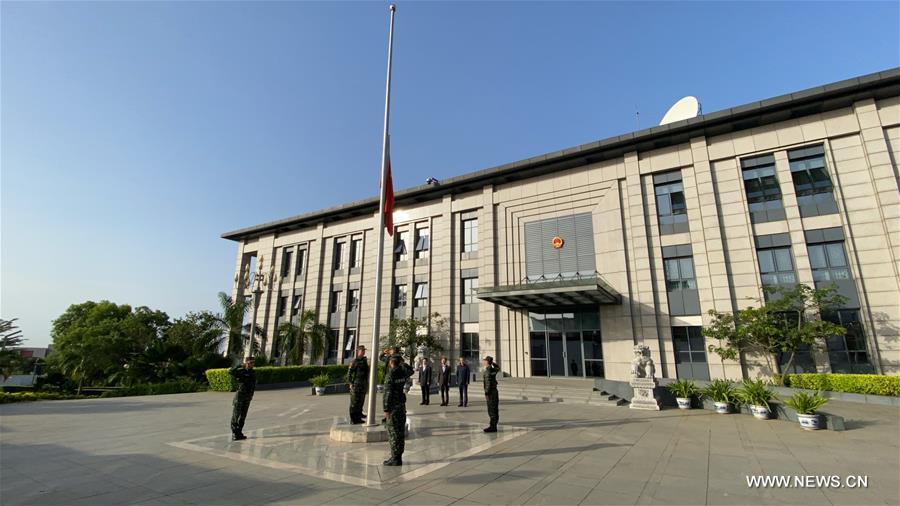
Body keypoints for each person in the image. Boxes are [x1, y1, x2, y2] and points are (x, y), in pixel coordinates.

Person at [383, 356, 414, 466]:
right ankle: (399, 456)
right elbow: (411, 370)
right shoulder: (402, 373)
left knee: (393, 432)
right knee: (400, 432)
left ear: (391, 363)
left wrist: (386, 409)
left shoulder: (390, 374)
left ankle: (395, 457)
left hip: (393, 407)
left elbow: (387, 393)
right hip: (401, 406)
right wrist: (403, 363)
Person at [228, 356, 257, 441]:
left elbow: (253, 385)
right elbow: (230, 371)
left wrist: (251, 395)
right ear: (246, 363)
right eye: (250, 362)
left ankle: (239, 432)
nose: (252, 364)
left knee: (243, 416)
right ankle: (234, 433)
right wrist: (239, 366)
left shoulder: (253, 373)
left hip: (247, 397)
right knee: (236, 415)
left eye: (253, 363)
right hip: (240, 396)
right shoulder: (241, 371)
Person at [346, 345, 369, 424]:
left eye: (364, 351)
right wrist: (350, 383)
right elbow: (349, 373)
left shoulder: (364, 360)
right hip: (356, 384)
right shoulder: (354, 362)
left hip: (363, 384)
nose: (363, 352)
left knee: (361, 401)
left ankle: (358, 417)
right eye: (362, 350)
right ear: (358, 351)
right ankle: (353, 419)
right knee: (354, 402)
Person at [482, 356, 500, 432]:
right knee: (495, 409)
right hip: (495, 392)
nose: (483, 362)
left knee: (491, 410)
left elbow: (488, 383)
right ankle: (494, 425)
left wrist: (486, 393)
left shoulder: (487, 371)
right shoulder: (493, 369)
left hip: (490, 393)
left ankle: (492, 427)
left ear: (487, 362)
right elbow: (498, 367)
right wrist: (492, 363)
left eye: (485, 360)